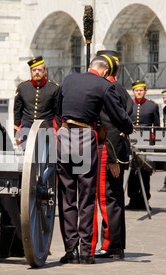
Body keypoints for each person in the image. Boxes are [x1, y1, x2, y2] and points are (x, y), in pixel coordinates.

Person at [57, 56, 134, 264]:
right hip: (84, 137)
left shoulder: (69, 79)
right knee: (86, 196)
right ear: (104, 71)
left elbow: (58, 108)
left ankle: (70, 250)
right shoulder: (104, 85)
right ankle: (85, 252)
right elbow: (117, 115)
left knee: (66, 196)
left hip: (64, 135)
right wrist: (129, 128)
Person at [94, 50, 133, 259]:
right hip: (115, 151)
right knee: (114, 199)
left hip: (110, 152)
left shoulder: (108, 89)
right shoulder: (119, 89)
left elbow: (111, 126)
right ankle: (115, 245)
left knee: (107, 198)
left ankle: (111, 246)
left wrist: (111, 157)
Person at [126, 80, 160, 209]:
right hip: (132, 141)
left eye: (141, 90)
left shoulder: (152, 106)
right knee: (132, 171)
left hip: (146, 143)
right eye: (136, 90)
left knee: (145, 171)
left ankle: (145, 199)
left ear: (145, 91)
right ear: (133, 91)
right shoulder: (129, 105)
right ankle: (133, 199)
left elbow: (156, 126)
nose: (139, 92)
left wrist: (155, 144)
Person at [14, 56, 61, 148]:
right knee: (26, 157)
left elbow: (58, 113)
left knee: (46, 157)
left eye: (39, 70)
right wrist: (16, 133)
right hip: (27, 128)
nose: (37, 72)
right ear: (31, 71)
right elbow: (17, 112)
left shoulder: (54, 88)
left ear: (45, 71)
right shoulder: (22, 88)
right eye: (34, 70)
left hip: (46, 127)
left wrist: (58, 131)